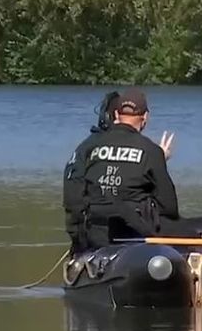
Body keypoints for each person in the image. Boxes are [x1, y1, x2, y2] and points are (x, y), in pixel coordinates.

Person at [74, 88, 179, 250]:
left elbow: (75, 191)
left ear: (116, 115)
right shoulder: (150, 150)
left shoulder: (89, 145)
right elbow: (170, 208)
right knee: (190, 231)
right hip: (133, 233)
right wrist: (160, 161)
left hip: (94, 231)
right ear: (145, 117)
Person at [62, 91, 120, 254]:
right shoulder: (139, 149)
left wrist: (77, 235)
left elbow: (73, 195)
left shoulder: (85, 148)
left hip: (92, 235)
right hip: (111, 237)